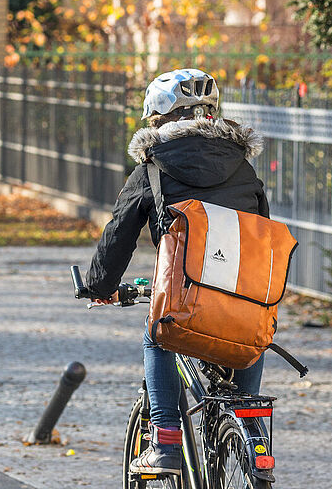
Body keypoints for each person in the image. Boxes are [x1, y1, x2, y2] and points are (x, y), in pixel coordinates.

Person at [85, 69, 269, 476]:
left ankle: (165, 439)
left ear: (158, 118)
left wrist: (100, 285)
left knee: (158, 334)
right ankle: (250, 428)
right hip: (242, 290)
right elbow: (261, 231)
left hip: (184, 296)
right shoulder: (242, 166)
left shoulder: (153, 168)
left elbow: (119, 234)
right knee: (252, 326)